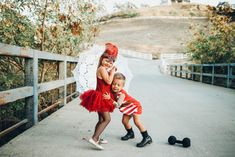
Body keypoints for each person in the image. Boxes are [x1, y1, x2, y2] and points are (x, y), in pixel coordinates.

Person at [80, 43, 118, 150]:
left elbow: (106, 78)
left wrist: (110, 70)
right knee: (107, 119)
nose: (109, 64)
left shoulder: (104, 69)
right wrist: (113, 72)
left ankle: (97, 136)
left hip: (102, 97)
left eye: (111, 62)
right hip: (101, 98)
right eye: (106, 61)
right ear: (101, 59)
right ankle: (95, 138)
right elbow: (109, 81)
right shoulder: (101, 69)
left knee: (101, 119)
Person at [103, 73, 153, 147]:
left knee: (137, 121)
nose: (115, 86)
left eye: (118, 85)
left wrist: (109, 99)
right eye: (114, 84)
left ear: (122, 86)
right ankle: (131, 133)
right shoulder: (113, 92)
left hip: (135, 106)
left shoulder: (121, 94)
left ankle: (147, 137)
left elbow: (118, 105)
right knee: (124, 121)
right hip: (128, 108)